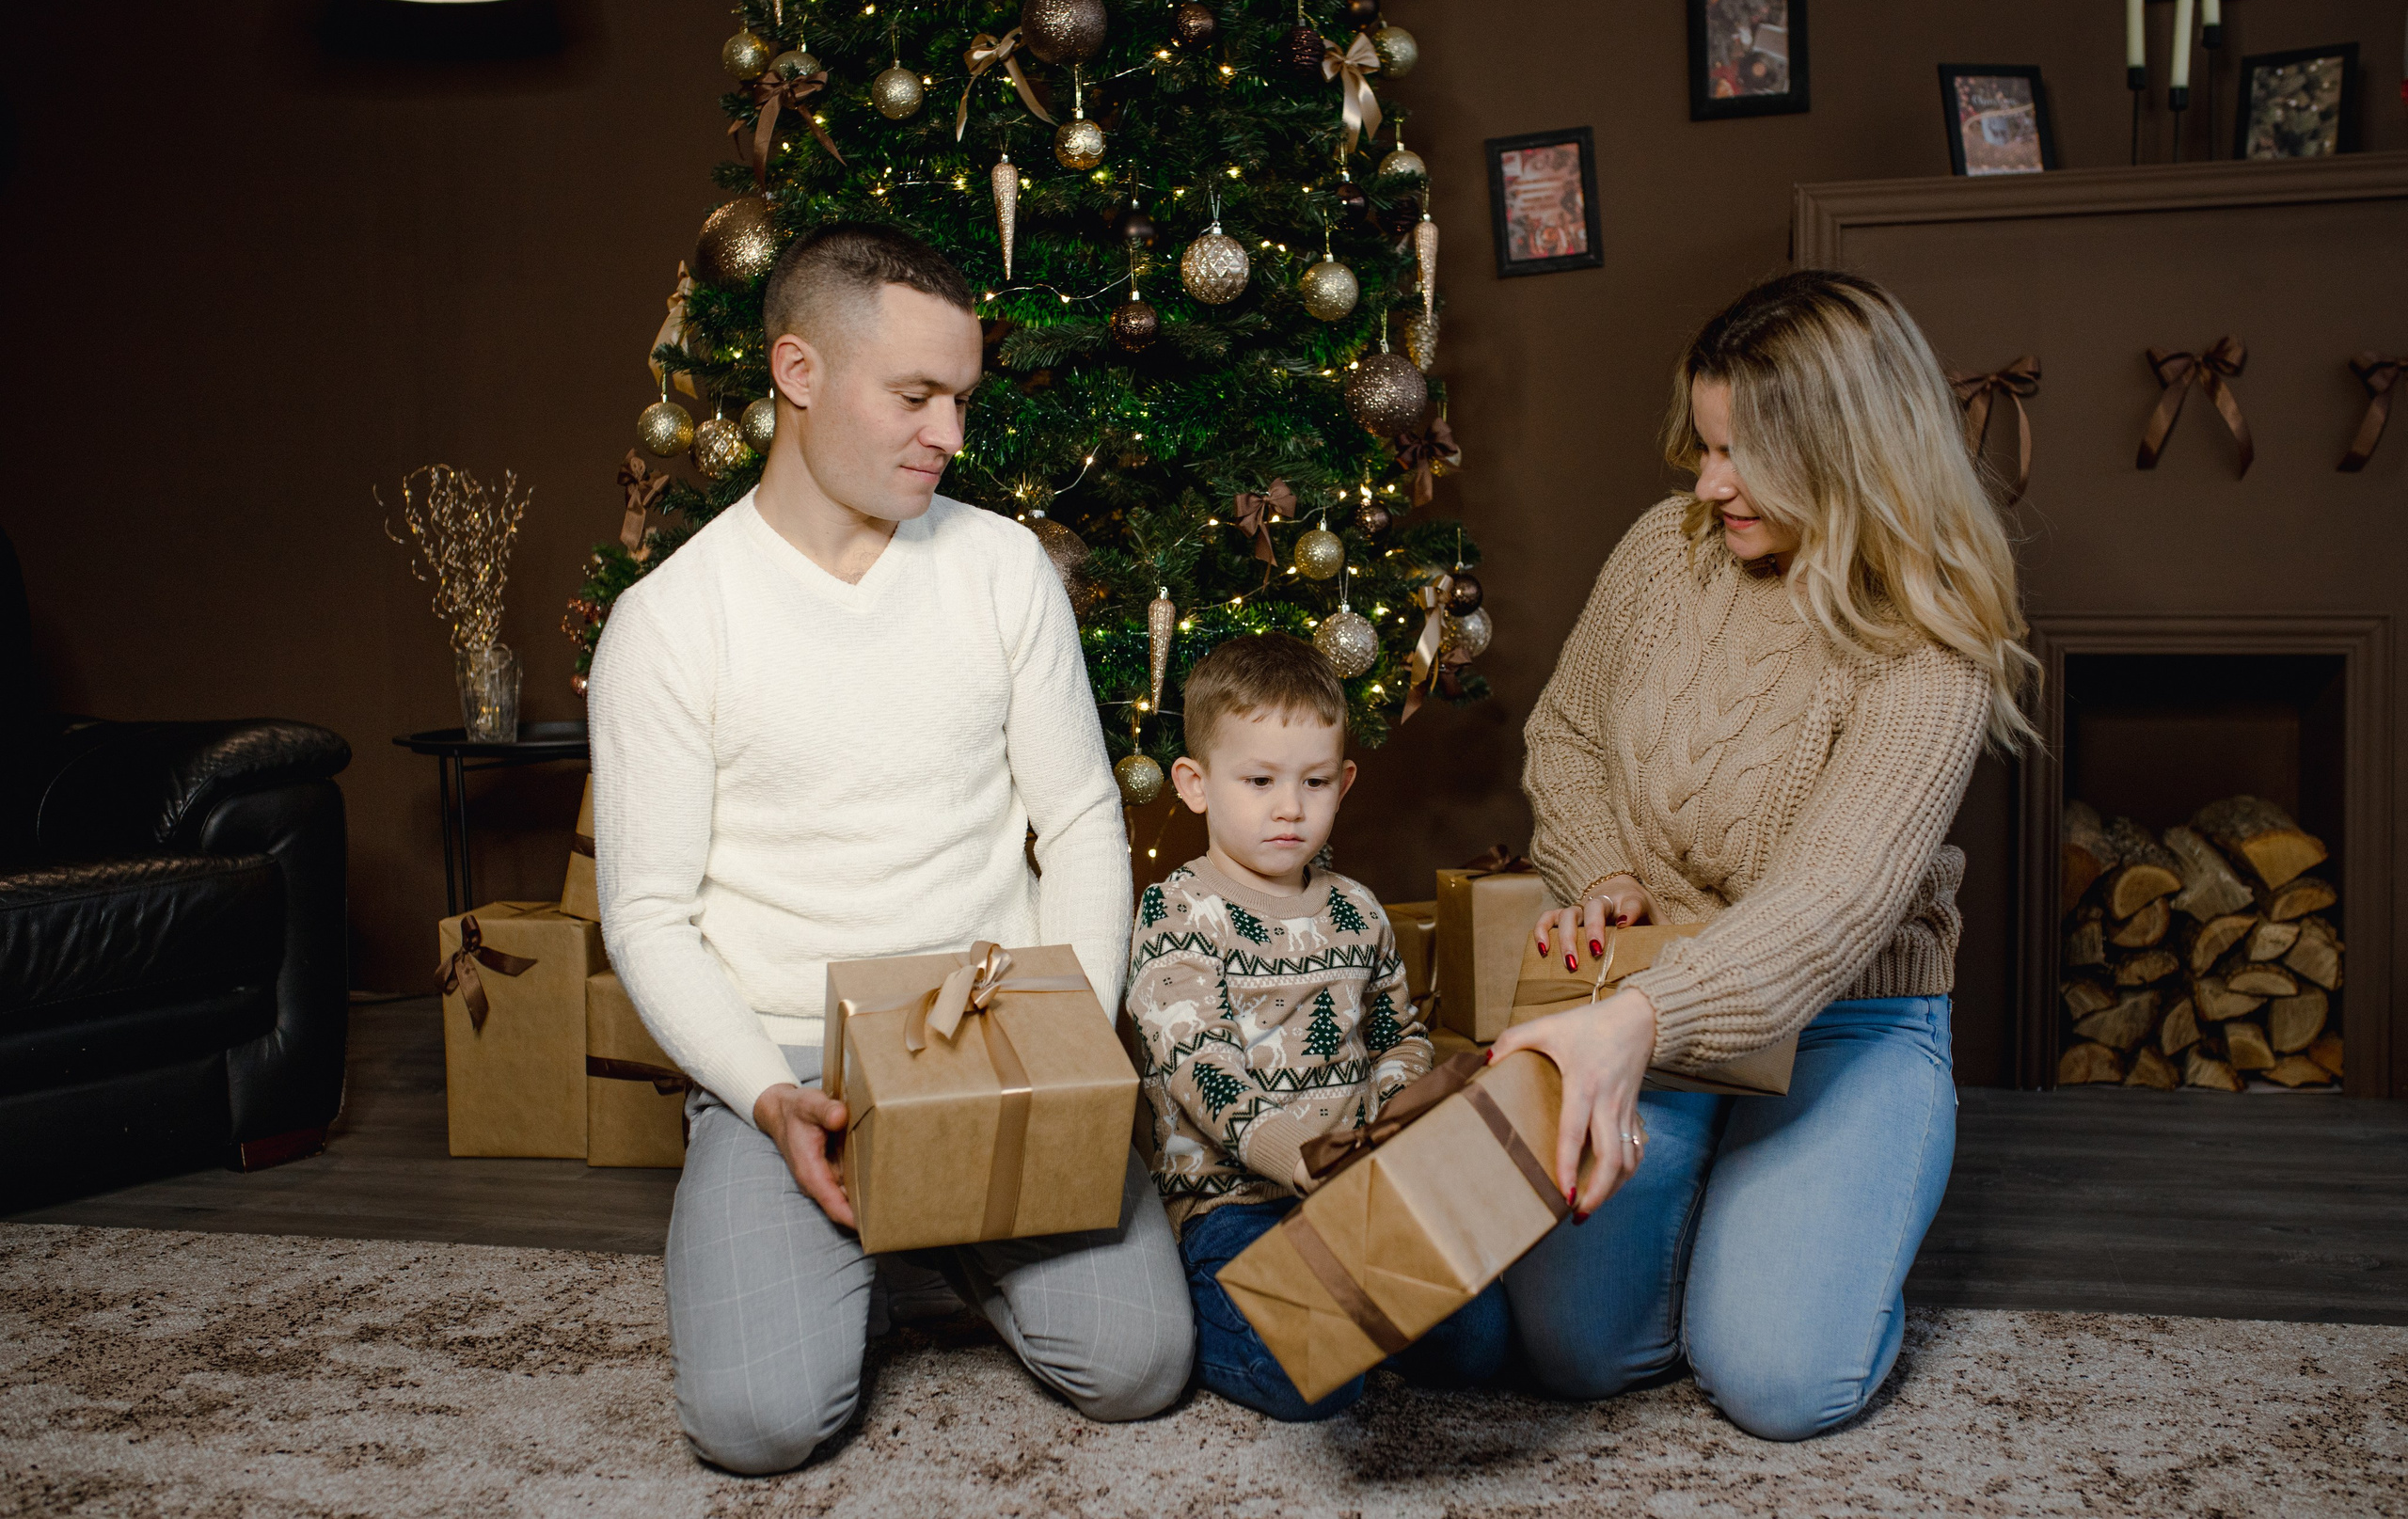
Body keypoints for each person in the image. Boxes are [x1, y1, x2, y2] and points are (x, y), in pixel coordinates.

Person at [587, 223, 1193, 1474]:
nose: (948, 436)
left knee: (1138, 1368)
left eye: (961, 399)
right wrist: (763, 1090)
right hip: (794, 1062)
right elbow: (646, 913)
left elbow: (1079, 815)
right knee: (758, 1426)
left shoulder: (1001, 567)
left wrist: (1063, 1039)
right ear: (799, 373)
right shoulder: (669, 622)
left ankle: (933, 1234)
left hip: (994, 1034)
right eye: (914, 396)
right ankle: (864, 1236)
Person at [1491, 268, 2037, 1441]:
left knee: (1781, 1382)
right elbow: (1567, 733)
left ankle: (1815, 1218)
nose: (1708, 482)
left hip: (1844, 1021)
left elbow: (1834, 904)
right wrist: (1602, 875)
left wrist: (1636, 1021)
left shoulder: (1930, 644)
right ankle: (1729, 1233)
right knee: (1575, 1354)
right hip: (1647, 992)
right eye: (1703, 444)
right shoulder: (1664, 549)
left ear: (1849, 454)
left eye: (1741, 455)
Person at [1128, 632, 1508, 1420]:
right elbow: (1195, 1057)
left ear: (1346, 780)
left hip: (1353, 1191)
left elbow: (1402, 1034)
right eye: (1259, 780)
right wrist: (1285, 1151)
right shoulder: (1178, 910)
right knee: (1321, 1377)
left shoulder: (1356, 909)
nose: (1290, 807)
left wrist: (1392, 1113)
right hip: (1232, 1205)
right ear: (1196, 784)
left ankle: (1355, 1308)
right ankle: (1215, 1315)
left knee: (1477, 1348)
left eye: (1315, 780)